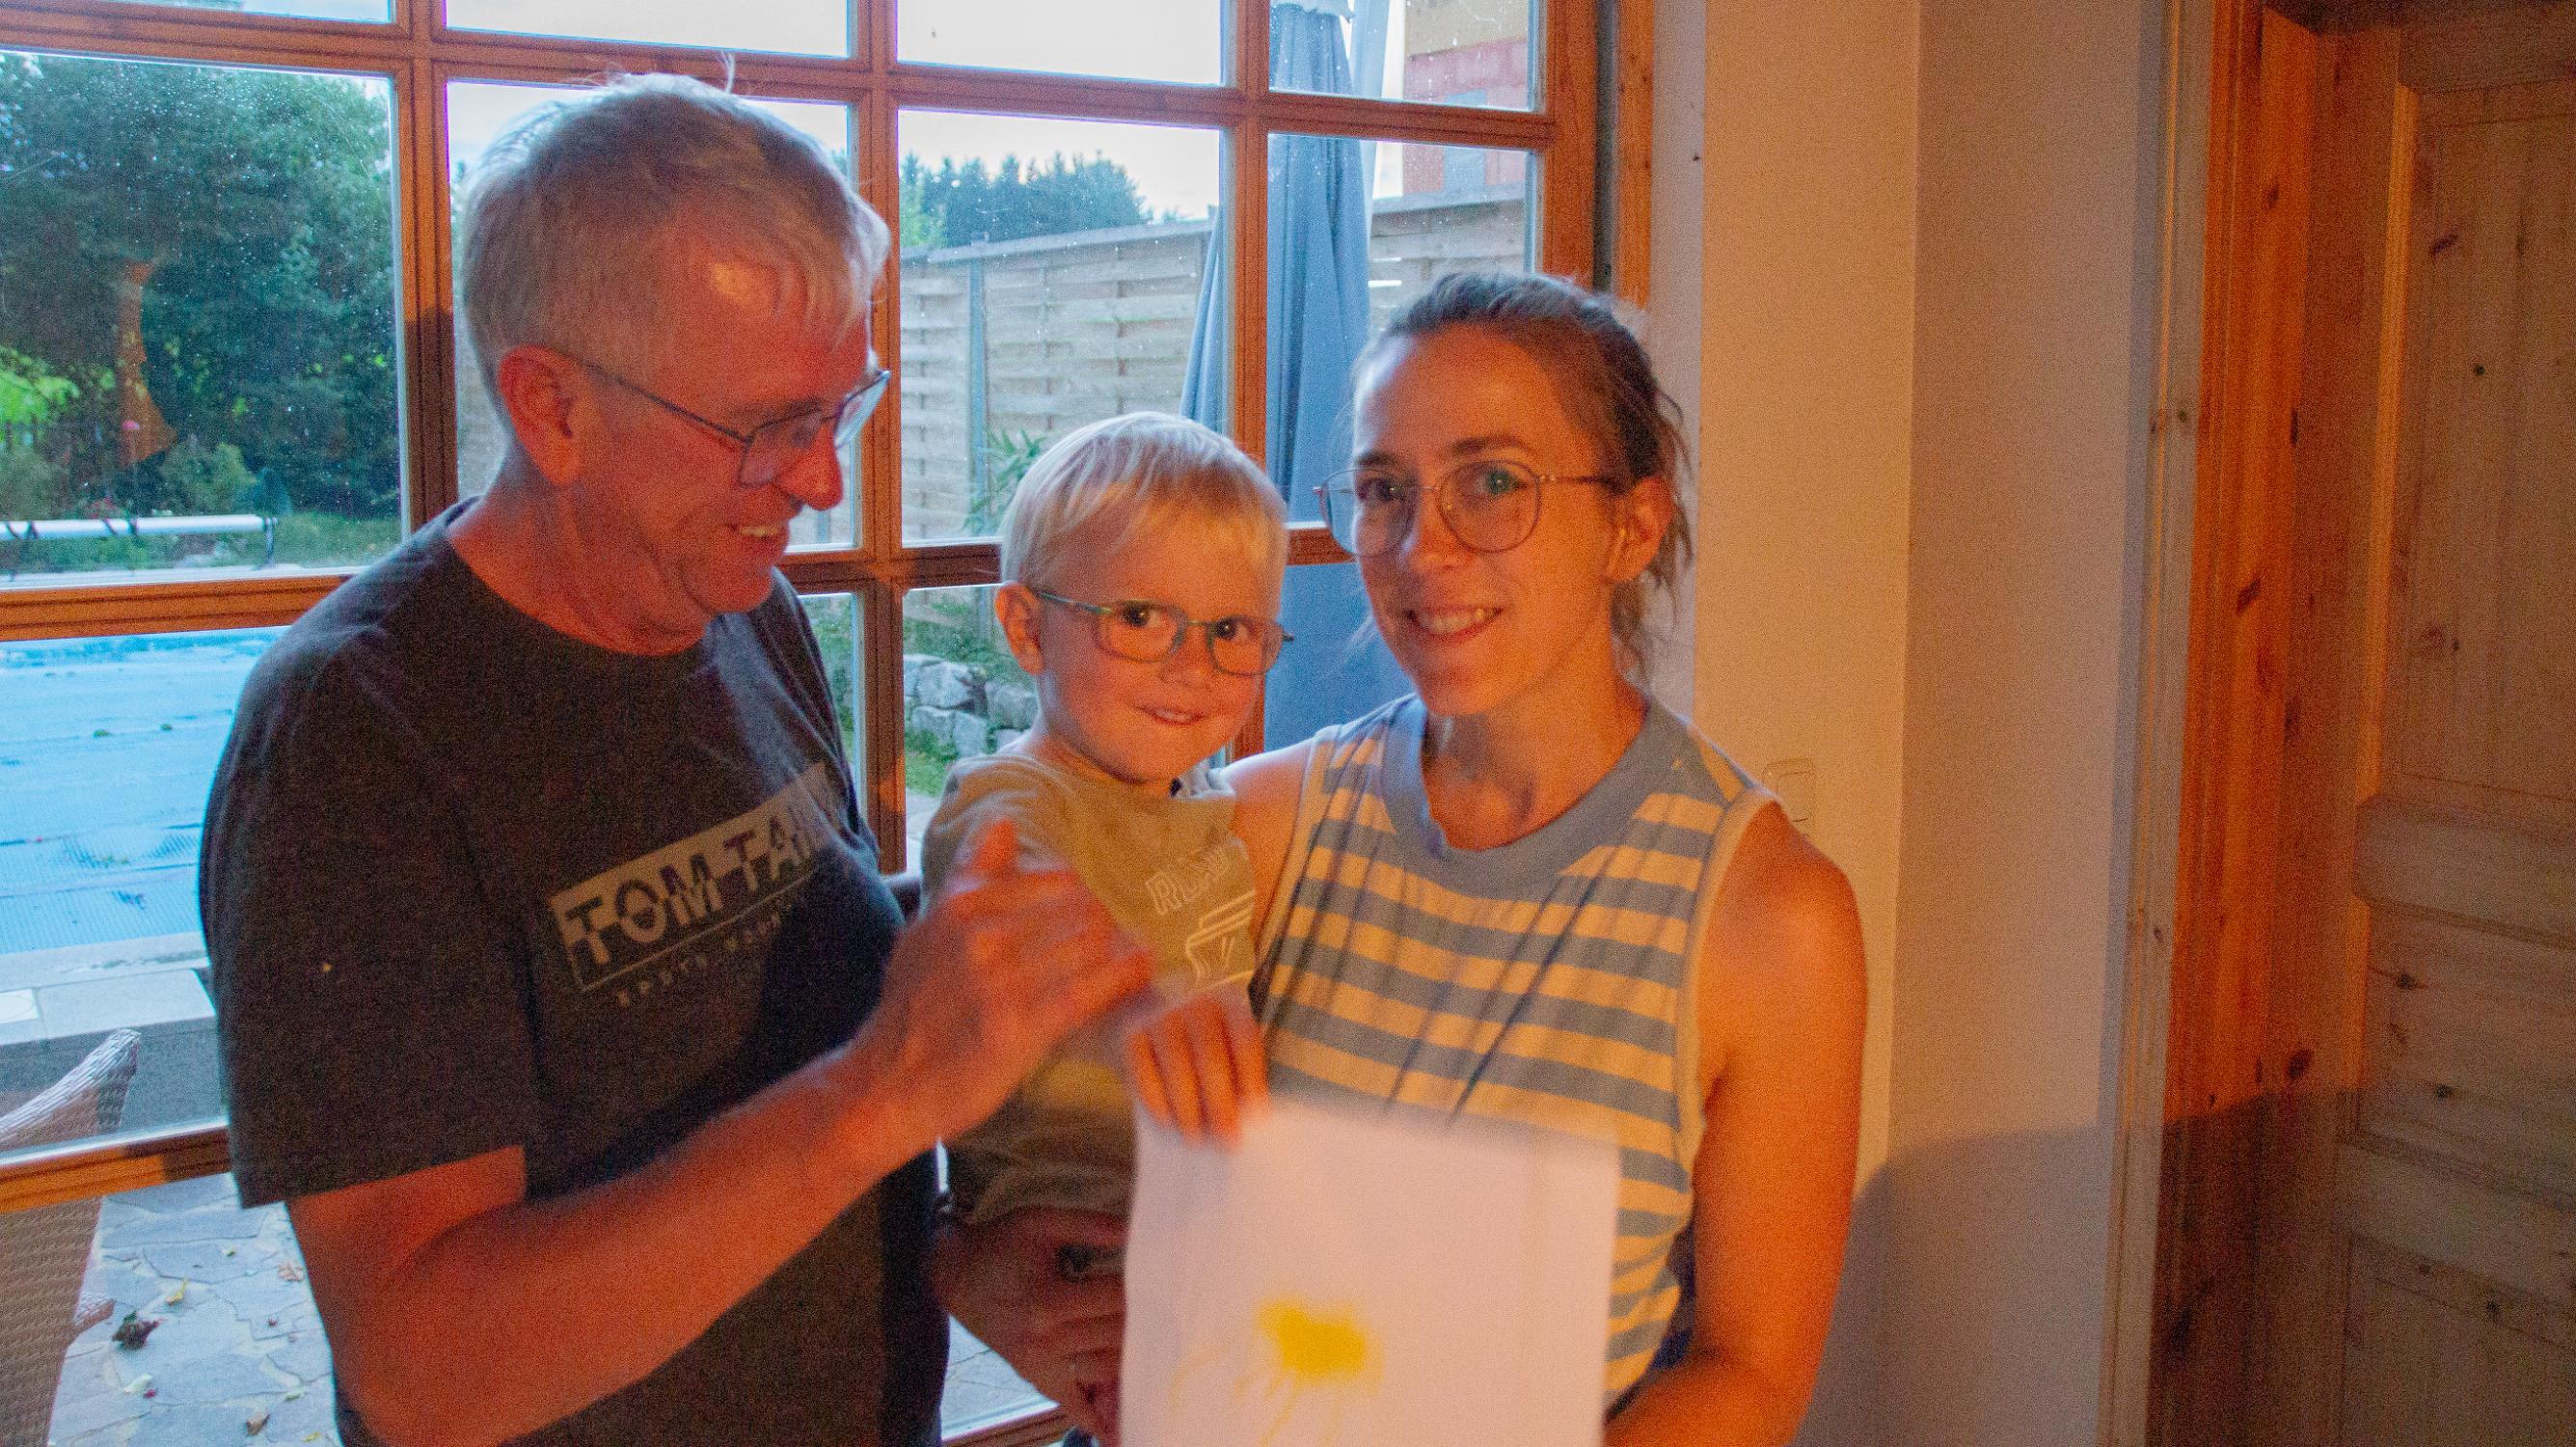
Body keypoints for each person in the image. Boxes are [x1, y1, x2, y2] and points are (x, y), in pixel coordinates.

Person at [201, 75, 1149, 1447]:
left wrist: (954, 1254)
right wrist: (885, 1090)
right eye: (768, 428)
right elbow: (423, 1370)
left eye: (841, 409)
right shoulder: (356, 735)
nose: (822, 482)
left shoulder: (738, 606)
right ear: (551, 408)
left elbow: (777, 1070)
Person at [968, 272, 1867, 1446]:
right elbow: (980, 1005)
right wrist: (967, 1264)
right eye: (1385, 490)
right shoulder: (1270, 821)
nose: (1419, 547)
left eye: (1492, 484)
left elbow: (1748, 1373)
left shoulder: (1768, 919)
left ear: (1633, 526)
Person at [920, 412, 1283, 1444]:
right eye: (1140, 618)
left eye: (1231, 631)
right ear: (1026, 627)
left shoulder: (1198, 800)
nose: (1192, 667)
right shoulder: (1011, 800)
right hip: (1086, 1248)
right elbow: (1024, 918)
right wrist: (1131, 1008)